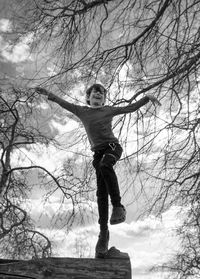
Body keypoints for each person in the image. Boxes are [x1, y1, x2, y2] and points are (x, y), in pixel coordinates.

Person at [35, 84, 161, 258]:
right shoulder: (81, 111)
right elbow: (63, 103)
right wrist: (48, 93)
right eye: (95, 92)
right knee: (101, 194)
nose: (98, 94)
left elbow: (129, 108)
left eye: (101, 94)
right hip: (98, 155)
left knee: (105, 165)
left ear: (104, 99)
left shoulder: (108, 110)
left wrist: (147, 98)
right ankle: (103, 234)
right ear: (88, 98)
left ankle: (118, 207)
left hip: (112, 148)